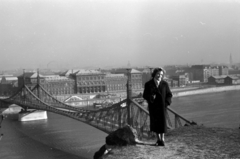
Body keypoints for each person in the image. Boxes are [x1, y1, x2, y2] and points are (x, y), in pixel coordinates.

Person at [143, 67, 172, 146]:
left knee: (162, 123)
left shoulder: (165, 84)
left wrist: (166, 103)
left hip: (162, 107)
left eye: (161, 74)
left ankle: (162, 139)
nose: (160, 76)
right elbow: (145, 95)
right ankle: (158, 139)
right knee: (155, 123)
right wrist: (151, 97)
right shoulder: (148, 84)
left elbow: (169, 95)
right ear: (154, 74)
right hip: (153, 107)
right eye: (158, 74)